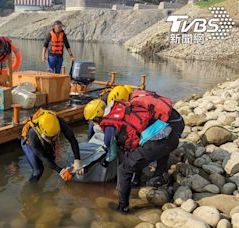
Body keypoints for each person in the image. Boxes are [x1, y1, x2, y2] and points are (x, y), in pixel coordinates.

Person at [102, 85, 184, 213]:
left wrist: (106, 160)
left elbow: (110, 150)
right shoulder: (137, 106)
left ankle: (123, 207)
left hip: (161, 140)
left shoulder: (112, 122)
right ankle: (154, 178)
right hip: (174, 129)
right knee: (138, 153)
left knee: (124, 170)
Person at [21, 108, 83, 182]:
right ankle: (32, 190)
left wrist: (77, 160)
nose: (54, 139)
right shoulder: (32, 134)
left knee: (52, 159)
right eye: (51, 137)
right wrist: (60, 171)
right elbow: (43, 157)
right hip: (29, 144)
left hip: (46, 141)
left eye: (55, 136)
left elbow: (73, 140)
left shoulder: (59, 121)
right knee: (38, 170)